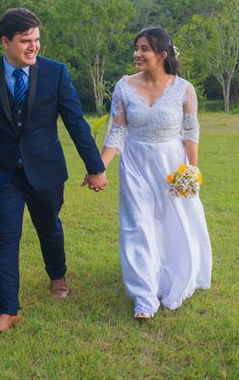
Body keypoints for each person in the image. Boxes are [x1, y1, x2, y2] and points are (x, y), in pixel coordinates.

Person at [0, 8, 108, 335]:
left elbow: (75, 122)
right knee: (4, 239)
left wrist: (95, 167)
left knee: (49, 228)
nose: (33, 47)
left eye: (37, 40)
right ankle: (6, 310)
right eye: (25, 41)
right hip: (2, 174)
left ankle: (57, 275)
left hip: (45, 170)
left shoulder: (56, 73)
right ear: (5, 42)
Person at [98, 27, 212, 320]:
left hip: (172, 164)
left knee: (174, 223)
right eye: (136, 48)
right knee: (137, 225)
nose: (137, 53)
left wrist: (190, 169)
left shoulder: (184, 88)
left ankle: (173, 279)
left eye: (144, 48)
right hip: (135, 163)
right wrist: (100, 168)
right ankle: (144, 298)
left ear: (162, 54)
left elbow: (190, 130)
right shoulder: (123, 86)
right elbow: (118, 131)